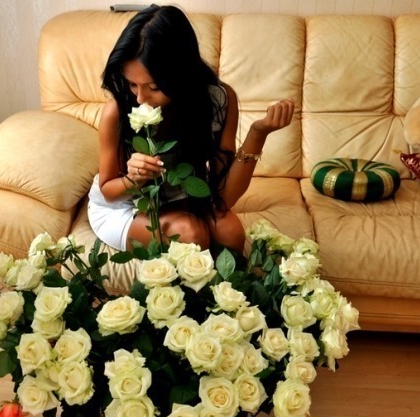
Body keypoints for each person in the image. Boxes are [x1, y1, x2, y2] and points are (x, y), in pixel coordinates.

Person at [87, 4, 294, 254]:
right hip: (124, 206)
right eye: (132, 84)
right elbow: (109, 192)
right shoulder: (117, 111)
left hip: (181, 197)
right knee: (190, 233)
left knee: (230, 232)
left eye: (153, 87)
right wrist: (134, 178)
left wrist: (257, 134)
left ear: (181, 76)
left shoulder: (216, 99)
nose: (140, 98)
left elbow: (225, 198)